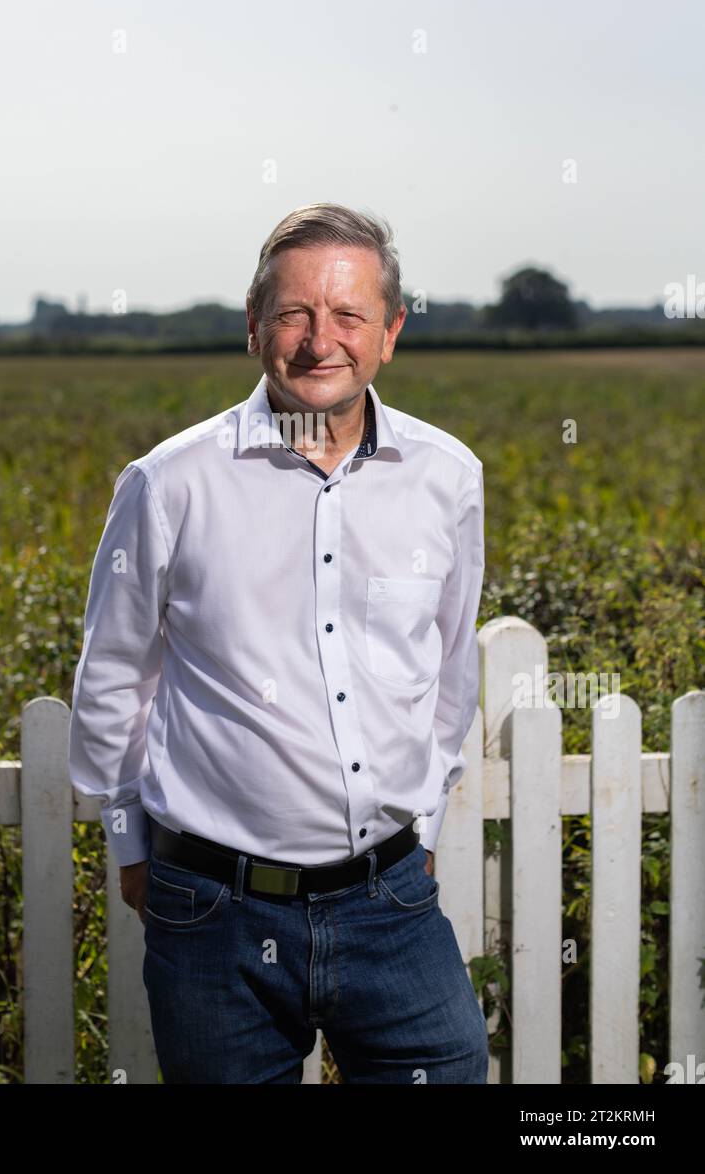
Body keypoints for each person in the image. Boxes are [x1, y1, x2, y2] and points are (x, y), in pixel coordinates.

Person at [68, 202, 489, 1084]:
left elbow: (450, 669)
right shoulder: (170, 482)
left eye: (348, 315)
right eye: (294, 313)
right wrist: (131, 853)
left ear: (390, 332)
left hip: (392, 905)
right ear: (254, 325)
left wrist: (420, 824)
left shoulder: (446, 476)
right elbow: (112, 679)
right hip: (212, 914)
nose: (318, 340)